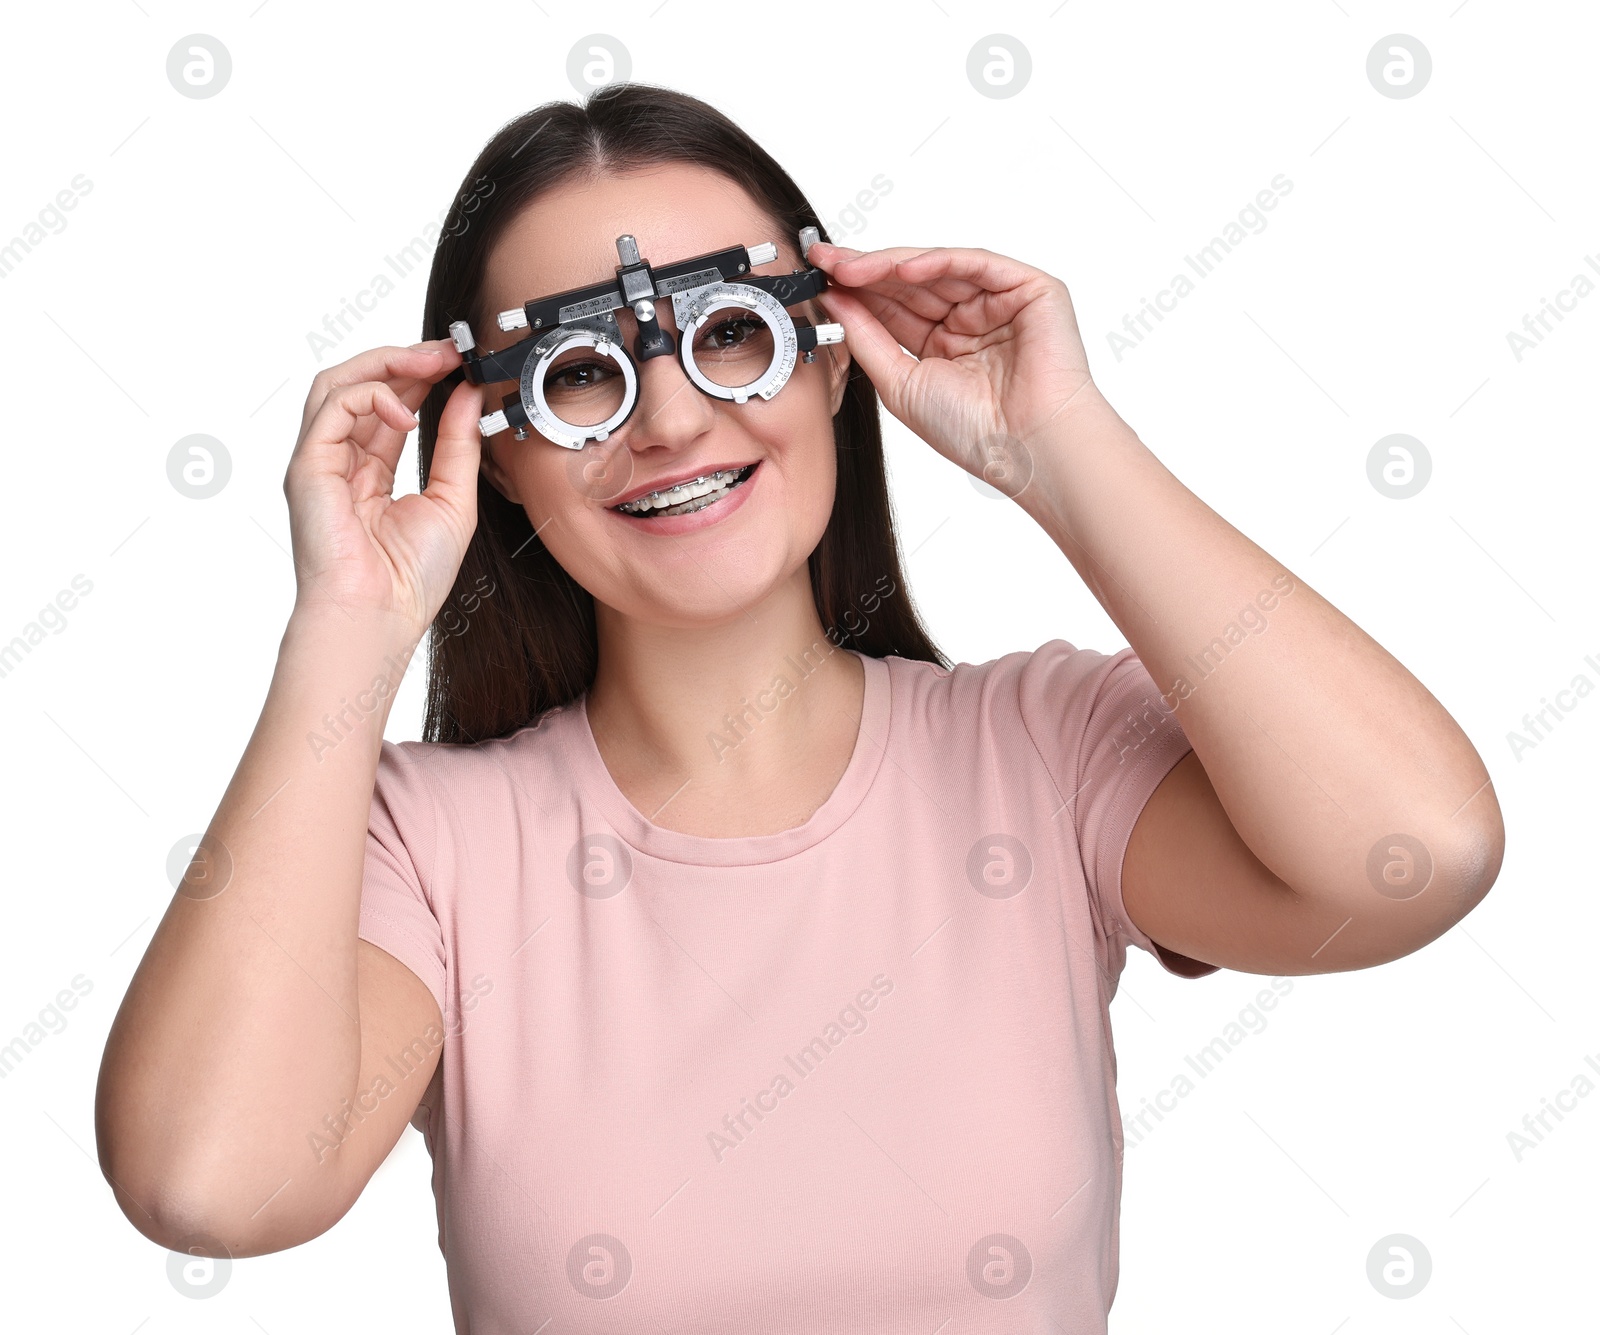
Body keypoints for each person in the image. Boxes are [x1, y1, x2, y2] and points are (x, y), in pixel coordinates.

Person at [95, 83, 1505, 1331]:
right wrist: (346, 629)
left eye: (728, 337)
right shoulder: (430, 849)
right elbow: (210, 1185)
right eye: (581, 375)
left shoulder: (1047, 759)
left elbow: (1416, 854)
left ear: (831, 361)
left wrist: (1057, 445)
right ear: (501, 451)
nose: (667, 423)